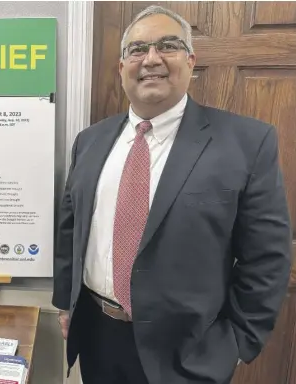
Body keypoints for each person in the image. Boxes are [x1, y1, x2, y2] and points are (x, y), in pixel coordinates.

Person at [52, 5, 292, 384]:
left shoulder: (246, 143)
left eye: (168, 45)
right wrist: (66, 304)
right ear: (121, 67)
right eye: (137, 49)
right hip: (98, 337)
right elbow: (71, 228)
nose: (151, 59)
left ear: (191, 60)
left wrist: (237, 341)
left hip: (189, 352)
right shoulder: (90, 141)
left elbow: (267, 258)